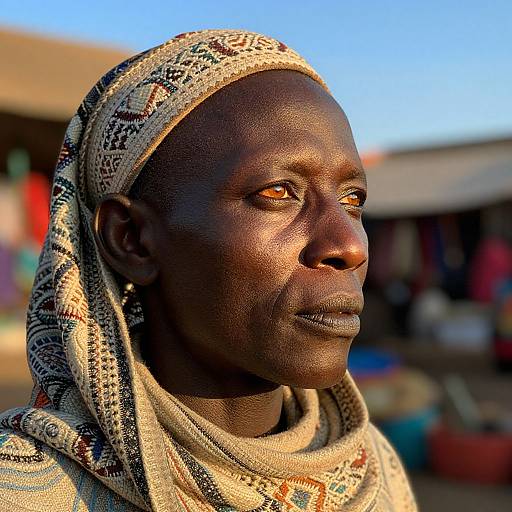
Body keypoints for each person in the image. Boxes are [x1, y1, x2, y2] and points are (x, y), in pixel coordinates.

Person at [0, 30, 417, 511]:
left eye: (352, 200)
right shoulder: (26, 493)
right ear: (131, 239)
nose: (347, 244)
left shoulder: (375, 473)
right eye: (278, 192)